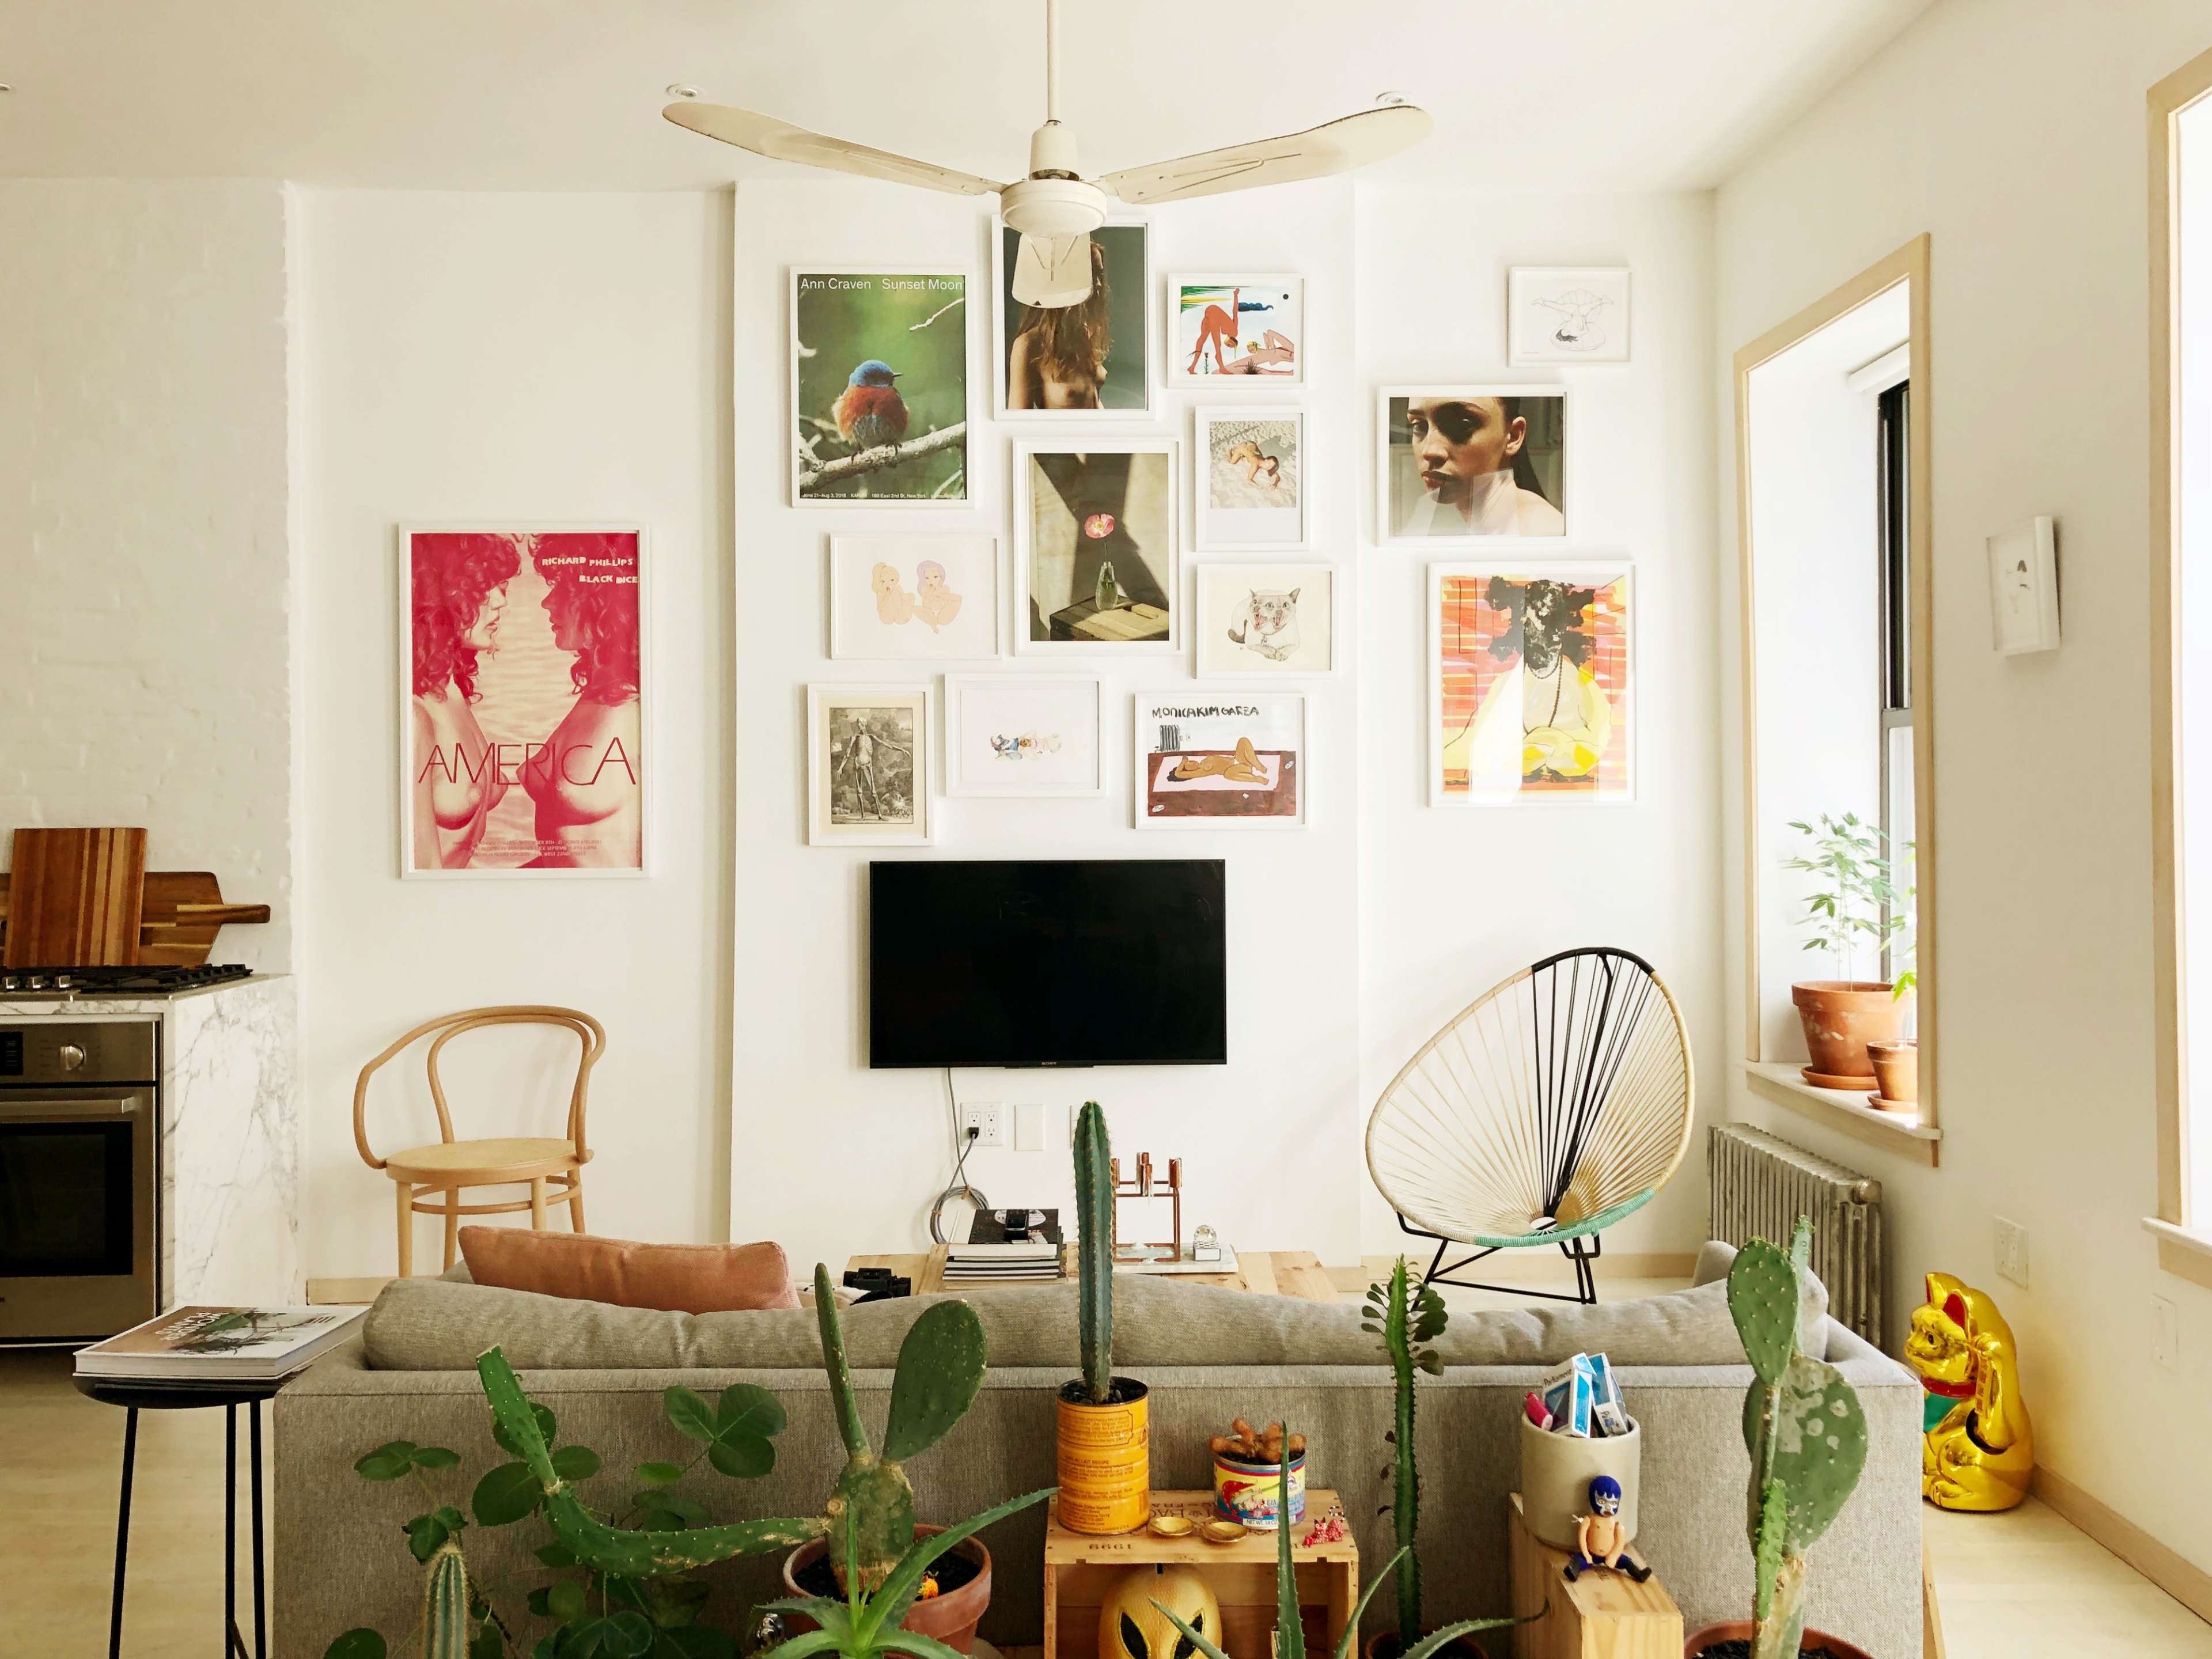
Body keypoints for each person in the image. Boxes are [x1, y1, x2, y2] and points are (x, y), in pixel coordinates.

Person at [522, 537, 642, 868]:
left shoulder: (644, 707)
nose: (547, 603)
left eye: (563, 589)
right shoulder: (600, 694)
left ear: (603, 600)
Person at [409, 532, 521, 870]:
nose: (501, 602)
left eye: (502, 587)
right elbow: (422, 874)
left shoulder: (451, 691)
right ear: (440, 594)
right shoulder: (415, 714)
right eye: (485, 587)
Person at [1396, 395, 1564, 536]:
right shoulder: (1427, 516)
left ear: (1513, 436)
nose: (1430, 451)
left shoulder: (1543, 530)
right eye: (1419, 426)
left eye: (1461, 425)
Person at [1007, 240, 1111, 410]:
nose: (1099, 284)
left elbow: (1092, 398)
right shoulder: (1028, 346)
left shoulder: (1085, 334)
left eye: (1100, 275)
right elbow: (1017, 424)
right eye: (1091, 275)